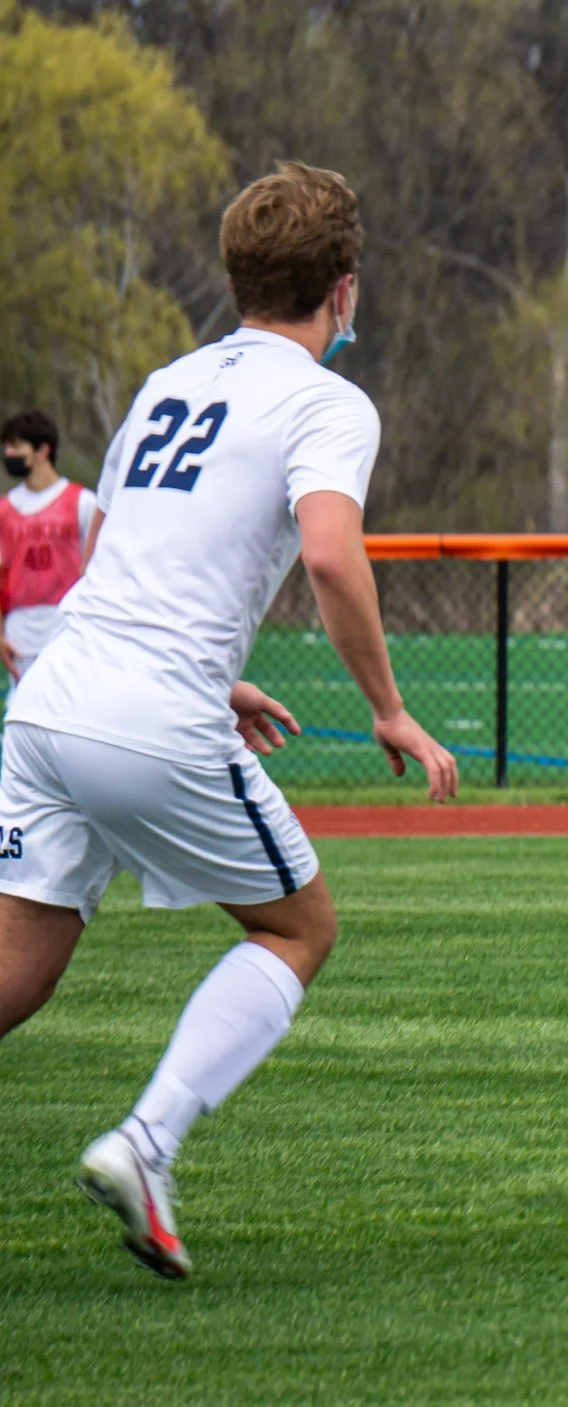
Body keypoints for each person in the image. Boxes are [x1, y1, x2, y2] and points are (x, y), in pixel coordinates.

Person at [0, 162, 460, 1280]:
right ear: (343, 292)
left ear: (236, 275)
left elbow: (123, 560)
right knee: (298, 930)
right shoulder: (327, 400)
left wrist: (217, 679)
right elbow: (329, 553)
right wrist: (389, 712)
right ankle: (147, 1145)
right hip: (150, 711)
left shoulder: (167, 380)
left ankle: (148, 1150)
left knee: (20, 965)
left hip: (53, 699)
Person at [0, 409, 98, 680]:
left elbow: (99, 570)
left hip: (69, 626)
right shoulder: (4, 510)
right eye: (6, 447)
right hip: (20, 634)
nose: (9, 454)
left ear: (43, 450)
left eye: (16, 446)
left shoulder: (83, 502)